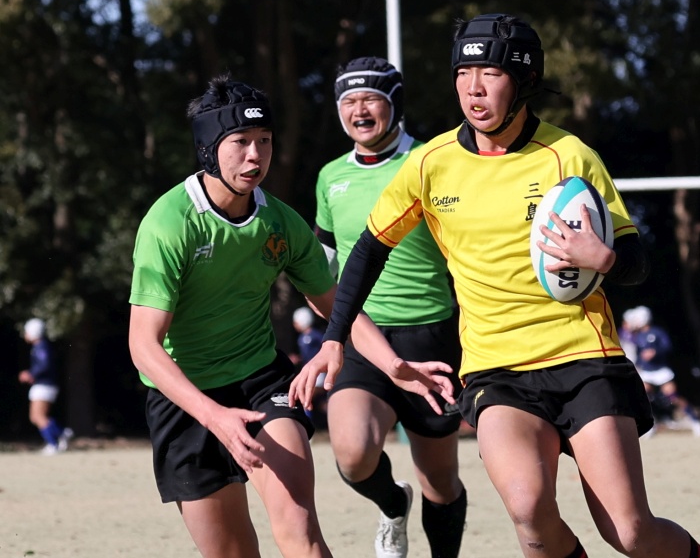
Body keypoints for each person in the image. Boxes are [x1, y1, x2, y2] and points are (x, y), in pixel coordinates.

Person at [291, 14, 700, 558]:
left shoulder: (569, 156)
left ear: (524, 80)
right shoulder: (431, 163)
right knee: (530, 515)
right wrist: (333, 338)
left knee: (630, 532)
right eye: (463, 73)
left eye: (489, 73)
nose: (473, 88)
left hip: (584, 360)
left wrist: (603, 257)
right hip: (496, 369)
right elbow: (368, 251)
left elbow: (635, 262)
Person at [128, 74, 456, 558]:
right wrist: (214, 416)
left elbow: (337, 305)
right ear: (207, 149)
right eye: (240, 142)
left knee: (301, 533)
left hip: (261, 383)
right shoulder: (169, 223)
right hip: (187, 402)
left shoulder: (280, 221)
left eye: (264, 141)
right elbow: (143, 346)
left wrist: (393, 365)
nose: (255, 156)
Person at [313, 56, 466, 558]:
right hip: (361, 335)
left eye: (370, 99)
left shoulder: (432, 161)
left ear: (394, 105)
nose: (359, 110)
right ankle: (392, 505)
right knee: (353, 453)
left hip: (432, 337)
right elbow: (324, 266)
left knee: (439, 482)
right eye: (348, 101)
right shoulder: (330, 177)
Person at [625, 306, 700, 437]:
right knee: (643, 397)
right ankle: (650, 425)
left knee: (672, 396)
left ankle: (695, 420)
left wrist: (655, 352)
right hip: (647, 371)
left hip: (661, 370)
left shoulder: (658, 332)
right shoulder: (637, 336)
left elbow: (667, 347)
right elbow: (637, 354)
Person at [19, 318, 73, 456]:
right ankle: (61, 433)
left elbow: (45, 365)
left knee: (39, 416)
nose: (25, 334)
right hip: (42, 385)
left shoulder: (41, 347)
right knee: (35, 417)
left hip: (44, 385)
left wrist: (31, 374)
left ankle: (53, 443)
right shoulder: (39, 347)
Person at [292, 306, 328, 425]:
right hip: (308, 372)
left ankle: (307, 424)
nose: (294, 324)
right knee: (319, 402)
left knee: (306, 396)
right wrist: (298, 359)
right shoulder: (301, 338)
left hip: (318, 373)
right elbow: (307, 355)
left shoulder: (316, 335)